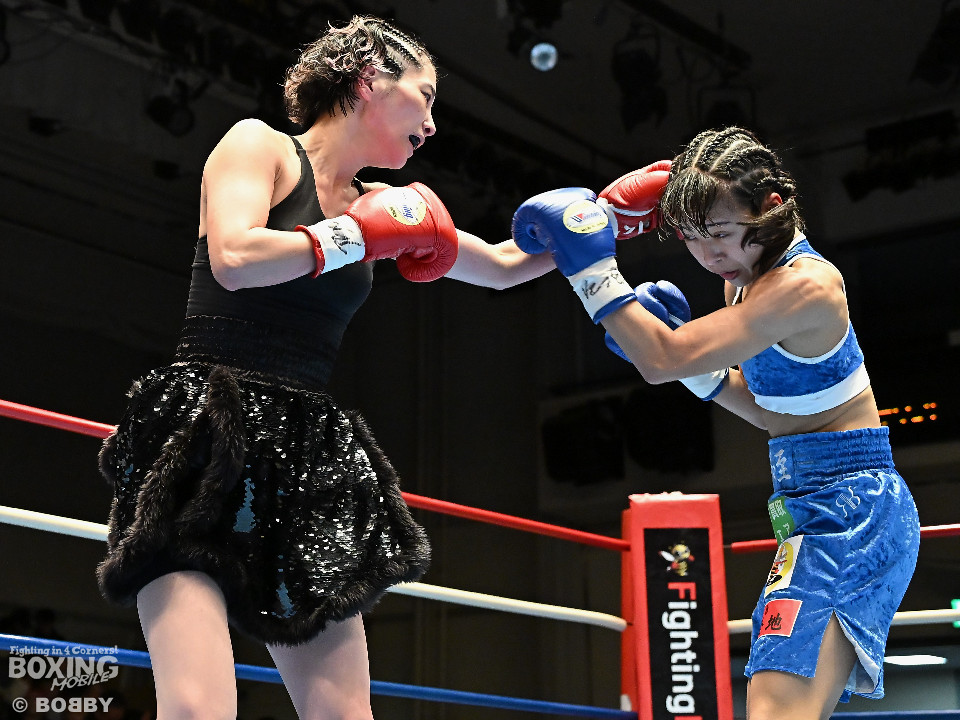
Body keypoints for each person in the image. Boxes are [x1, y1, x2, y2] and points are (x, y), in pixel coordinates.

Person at [96, 15, 555, 720]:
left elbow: (500, 266)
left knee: (344, 715)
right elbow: (235, 257)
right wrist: (353, 236)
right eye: (426, 97)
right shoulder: (259, 146)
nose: (432, 124)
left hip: (304, 449)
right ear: (370, 80)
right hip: (204, 429)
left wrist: (611, 222)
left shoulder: (382, 205)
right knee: (195, 708)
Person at [511, 126, 920, 720]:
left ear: (771, 207)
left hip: (852, 510)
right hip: (811, 504)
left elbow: (660, 359)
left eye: (721, 235)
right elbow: (771, 410)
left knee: (777, 710)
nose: (709, 256)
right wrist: (700, 374)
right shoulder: (743, 282)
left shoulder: (804, 286)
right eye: (691, 239)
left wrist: (591, 269)